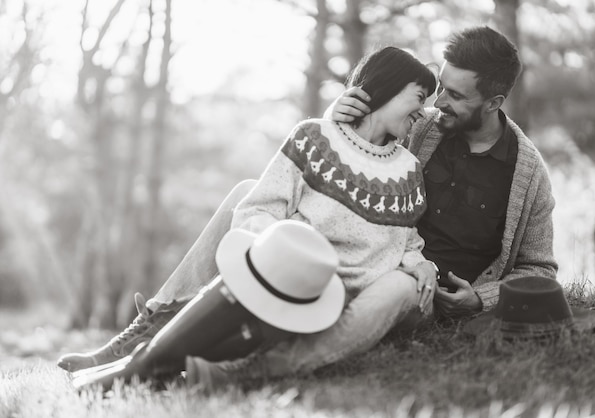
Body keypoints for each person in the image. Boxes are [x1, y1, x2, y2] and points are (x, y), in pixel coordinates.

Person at [58, 46, 439, 388]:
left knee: (400, 286)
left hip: (346, 298)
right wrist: (279, 255)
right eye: (419, 96)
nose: (423, 111)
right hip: (288, 278)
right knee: (247, 192)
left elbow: (406, 240)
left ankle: (212, 367)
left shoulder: (409, 169)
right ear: (386, 86)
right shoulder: (313, 137)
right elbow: (260, 209)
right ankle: (148, 337)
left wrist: (422, 265)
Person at [328, 26, 558, 319]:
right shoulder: (418, 128)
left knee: (395, 290)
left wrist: (480, 299)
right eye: (441, 87)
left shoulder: (528, 173)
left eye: (456, 95)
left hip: (424, 296)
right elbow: (349, 166)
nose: (437, 103)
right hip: (373, 263)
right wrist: (336, 120)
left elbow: (540, 269)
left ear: (493, 103)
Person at [72, 220, 346, 391]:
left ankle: (142, 366)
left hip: (293, 286)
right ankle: (142, 359)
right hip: (277, 259)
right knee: (244, 192)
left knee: (238, 307)